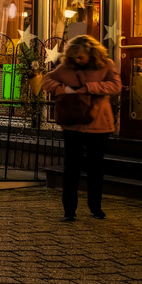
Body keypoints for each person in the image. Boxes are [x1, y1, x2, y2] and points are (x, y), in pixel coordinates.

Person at [43, 35, 121, 222]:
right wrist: (62, 88)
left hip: (99, 124)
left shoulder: (106, 65)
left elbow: (116, 86)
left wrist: (89, 87)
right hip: (72, 123)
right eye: (74, 55)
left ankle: (96, 207)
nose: (77, 59)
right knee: (71, 167)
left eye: (81, 56)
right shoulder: (65, 67)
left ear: (91, 53)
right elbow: (46, 80)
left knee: (95, 167)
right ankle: (69, 210)